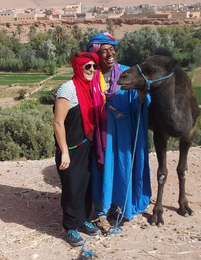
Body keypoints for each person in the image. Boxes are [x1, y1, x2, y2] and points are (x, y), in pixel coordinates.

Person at [87, 32, 151, 233]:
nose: (109, 53)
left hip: (125, 131)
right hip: (102, 132)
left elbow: (141, 103)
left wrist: (142, 96)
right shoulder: (91, 75)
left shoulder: (127, 73)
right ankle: (101, 211)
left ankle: (123, 206)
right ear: (96, 55)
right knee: (103, 169)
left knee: (124, 167)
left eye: (112, 49)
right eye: (104, 50)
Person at [53, 52, 102, 247]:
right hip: (70, 149)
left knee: (86, 186)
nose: (91, 70)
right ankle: (71, 227)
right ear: (78, 67)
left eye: (94, 66)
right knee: (72, 188)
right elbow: (58, 122)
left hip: (86, 145)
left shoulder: (92, 89)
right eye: (87, 66)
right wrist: (64, 150)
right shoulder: (68, 89)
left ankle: (83, 220)